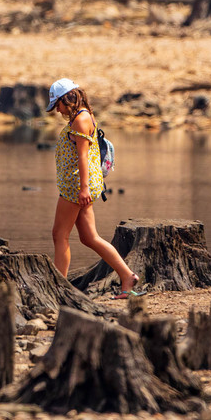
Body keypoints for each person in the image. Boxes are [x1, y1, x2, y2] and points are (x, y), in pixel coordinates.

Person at [46, 79, 144, 298]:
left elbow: (83, 157)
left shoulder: (81, 119)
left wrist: (83, 189)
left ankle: (58, 289)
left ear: (67, 99)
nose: (57, 110)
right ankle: (127, 276)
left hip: (76, 187)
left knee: (59, 234)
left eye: (58, 105)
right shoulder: (83, 116)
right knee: (89, 237)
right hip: (81, 185)